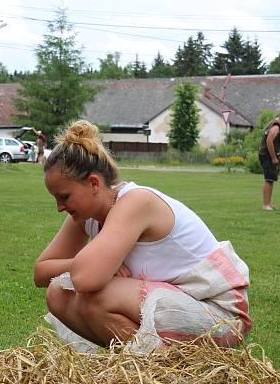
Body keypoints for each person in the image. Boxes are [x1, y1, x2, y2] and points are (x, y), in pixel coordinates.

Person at [34, 120, 251, 352]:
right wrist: (92, 266)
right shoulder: (85, 216)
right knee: (58, 293)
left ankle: (161, 372)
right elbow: (41, 272)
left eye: (65, 197)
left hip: (220, 316)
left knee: (95, 296)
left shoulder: (136, 202)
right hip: (178, 306)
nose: (59, 207)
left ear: (94, 183)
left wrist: (93, 269)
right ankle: (138, 366)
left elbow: (87, 279)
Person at [258, 111, 280, 210]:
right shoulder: (276, 127)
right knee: (269, 179)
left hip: (267, 154)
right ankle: (266, 205)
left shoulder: (275, 124)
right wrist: (273, 157)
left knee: (271, 179)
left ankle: (268, 203)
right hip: (267, 155)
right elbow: (269, 140)